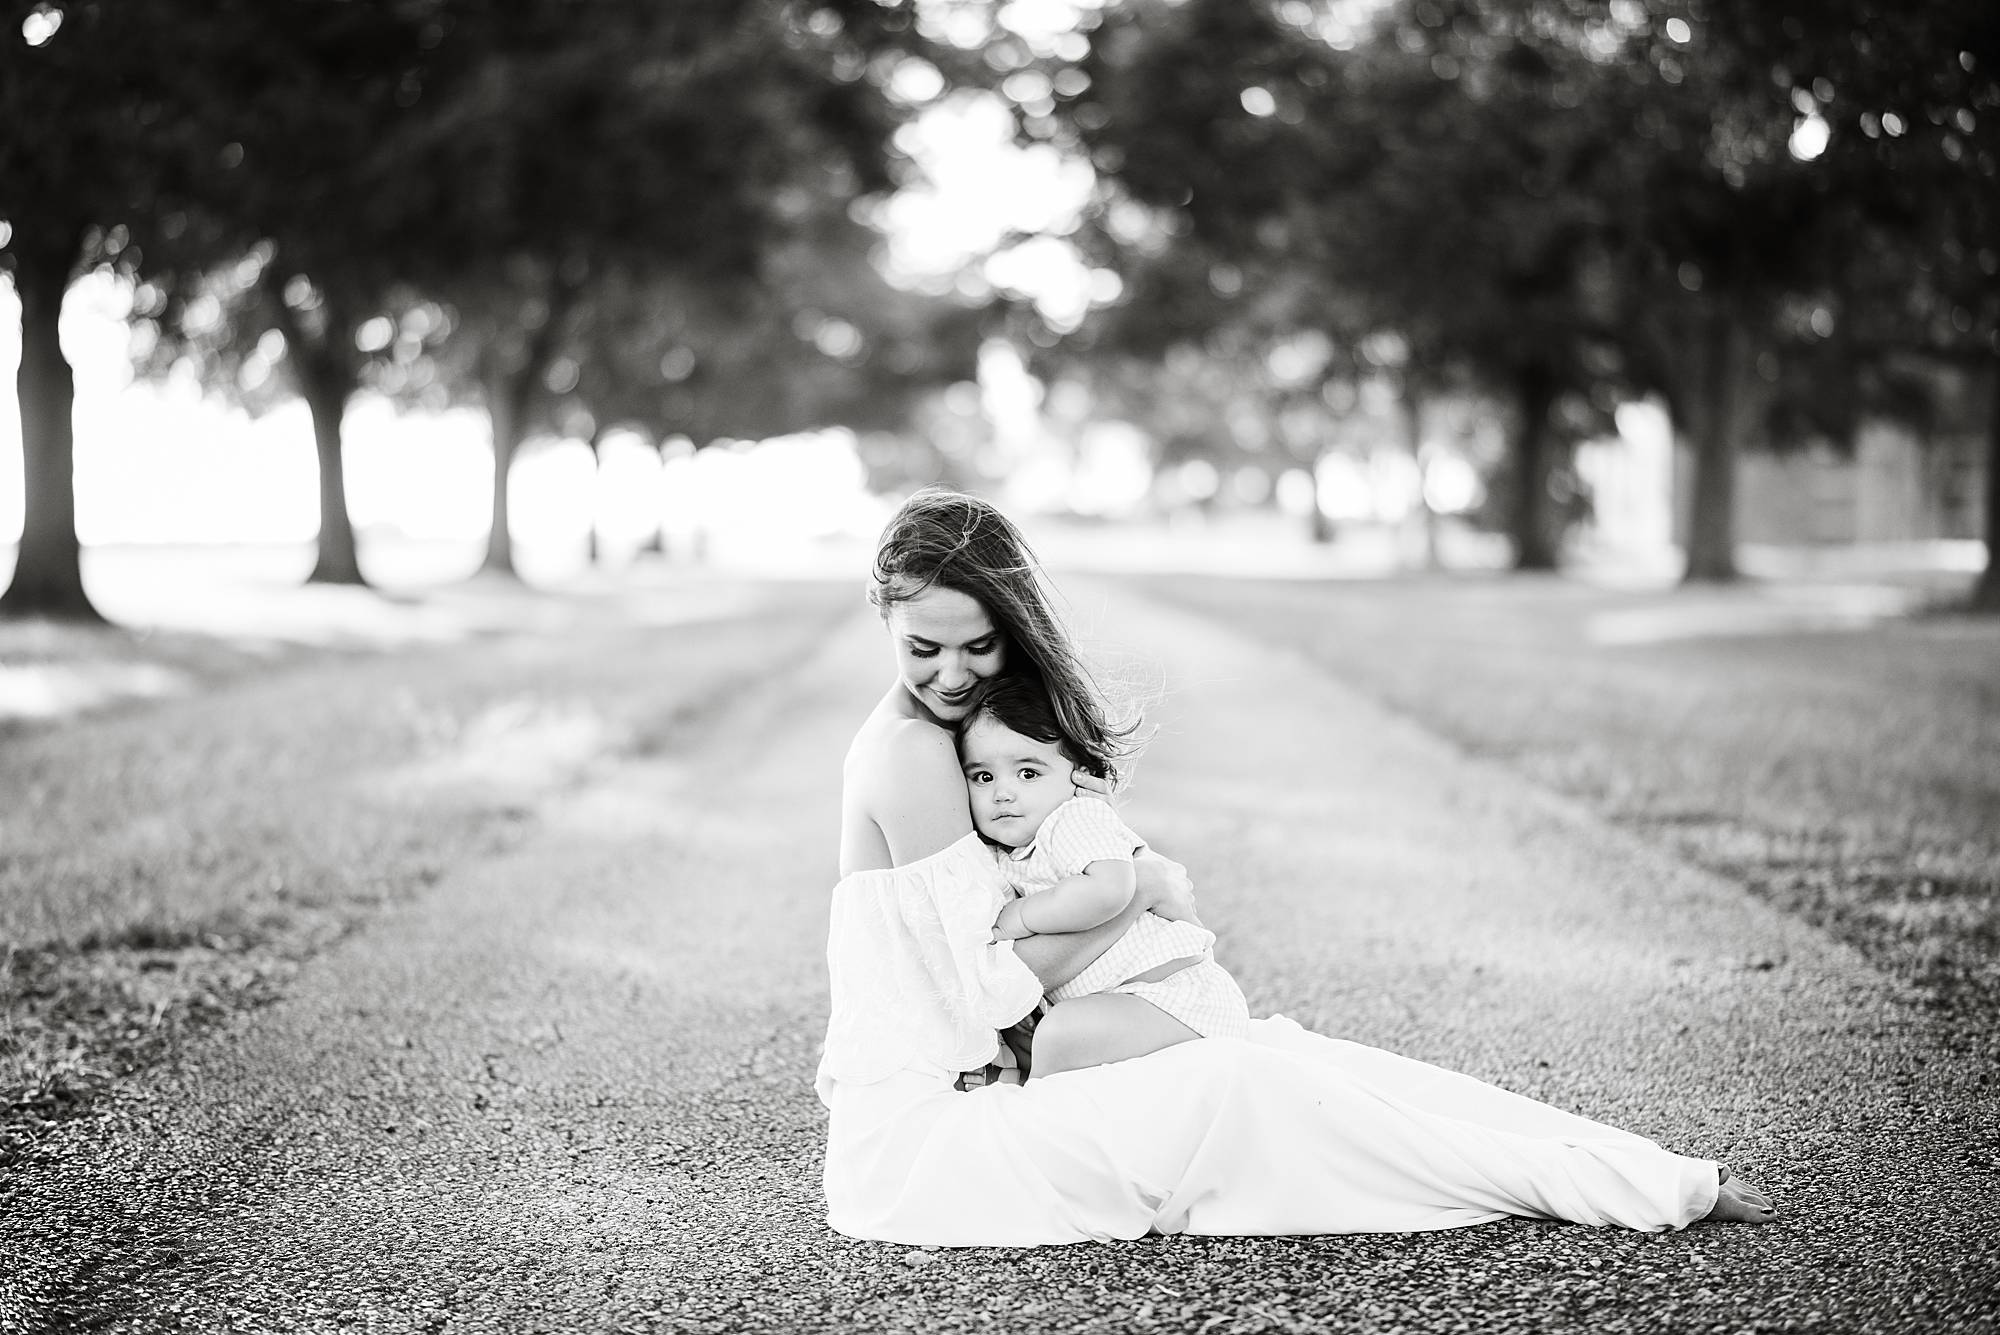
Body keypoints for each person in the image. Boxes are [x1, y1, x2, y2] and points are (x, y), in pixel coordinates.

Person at [821, 486, 1775, 1246]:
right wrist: (1140, 894)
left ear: (1014, 630)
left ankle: (1643, 1169)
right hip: (936, 1144)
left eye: (979, 645)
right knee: (1251, 1083)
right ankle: (1618, 1184)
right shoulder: (909, 756)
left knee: (1284, 1054)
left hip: (992, 1094)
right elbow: (984, 992)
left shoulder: (957, 733)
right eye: (923, 648)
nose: (952, 673)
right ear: (884, 623)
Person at [957, 675, 1250, 1079]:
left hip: (1174, 999)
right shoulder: (1003, 853)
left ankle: (1033, 1106)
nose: (1003, 793)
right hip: (1124, 1003)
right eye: (983, 777)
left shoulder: (1075, 819)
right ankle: (1032, 1080)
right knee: (1051, 1032)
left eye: (1027, 774)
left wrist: (1024, 916)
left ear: (1077, 776)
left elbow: (1109, 889)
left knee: (1060, 1034)